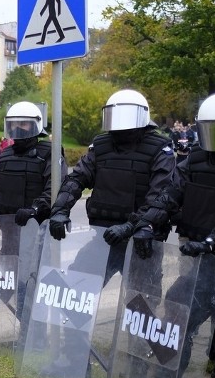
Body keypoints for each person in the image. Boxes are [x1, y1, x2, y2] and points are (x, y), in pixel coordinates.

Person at [134, 91, 215, 378]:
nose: (213, 136)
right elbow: (170, 193)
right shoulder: (196, 158)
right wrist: (147, 224)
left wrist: (214, 239)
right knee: (178, 304)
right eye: (208, 129)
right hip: (200, 251)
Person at [47, 89, 175, 277]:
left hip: (141, 240)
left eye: (127, 116)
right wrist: (59, 210)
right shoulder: (101, 146)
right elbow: (77, 178)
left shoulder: (159, 149)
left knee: (141, 303)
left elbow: (161, 196)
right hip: (103, 236)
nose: (121, 123)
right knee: (75, 291)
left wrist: (130, 227)